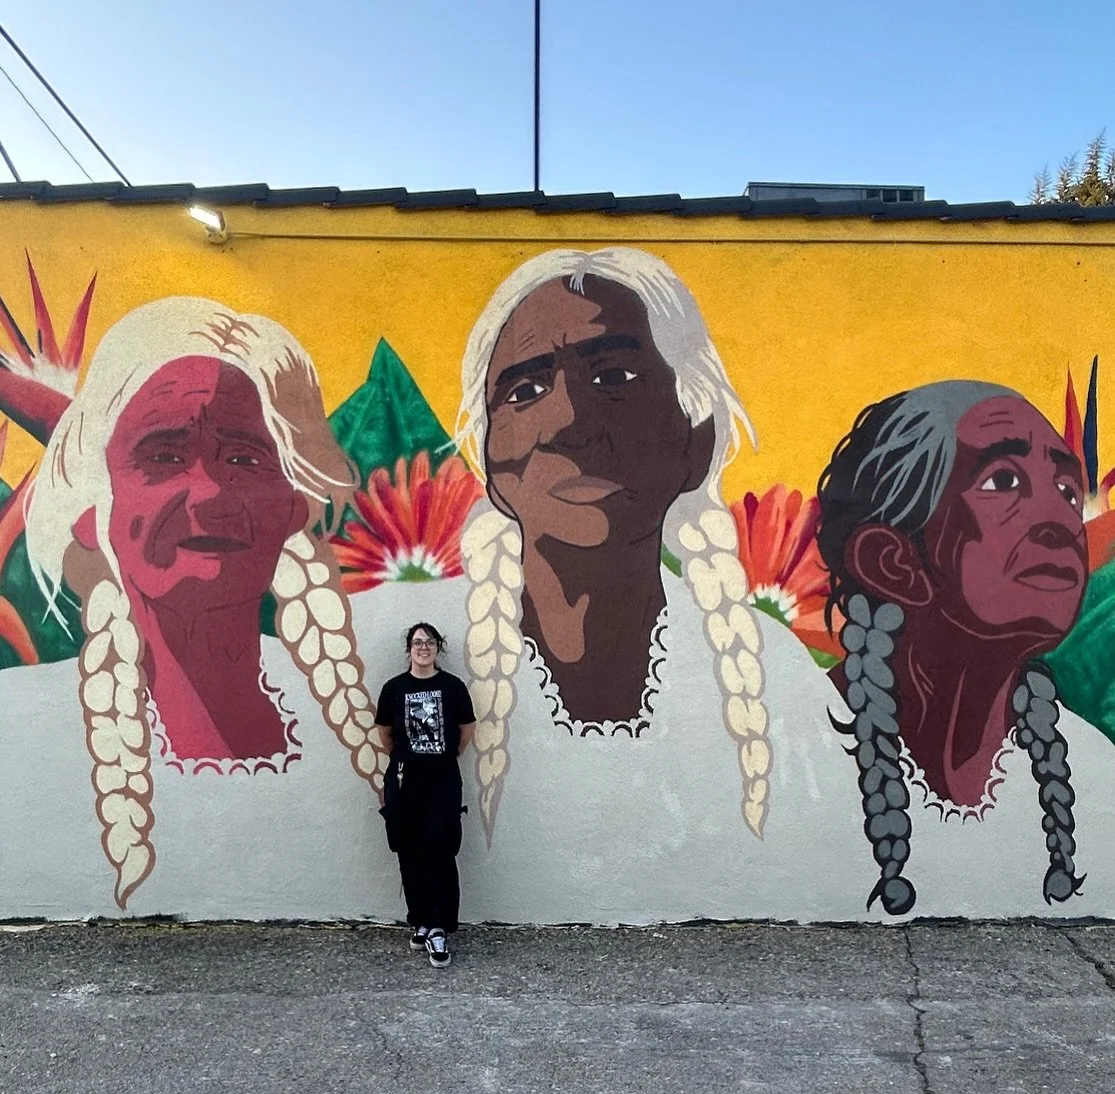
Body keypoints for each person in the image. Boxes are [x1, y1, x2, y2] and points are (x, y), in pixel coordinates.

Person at [3, 295, 391, 911]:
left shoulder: (338, 715)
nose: (207, 492)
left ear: (293, 508)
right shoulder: (21, 728)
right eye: (163, 456)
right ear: (91, 512)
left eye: (244, 457)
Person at [453, 247, 772, 843]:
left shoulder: (776, 679)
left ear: (696, 439)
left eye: (615, 378)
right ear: (488, 459)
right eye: (524, 390)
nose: (569, 419)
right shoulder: (425, 645)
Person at [817, 380, 1115, 916]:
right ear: (892, 562)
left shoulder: (1093, 774)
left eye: (1069, 492)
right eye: (1003, 480)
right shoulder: (788, 755)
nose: (1061, 521)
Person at [375, 623, 475, 967]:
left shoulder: (452, 687)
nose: (423, 647)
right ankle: (420, 919)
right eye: (417, 642)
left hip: (443, 780)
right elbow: (386, 734)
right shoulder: (394, 689)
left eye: (429, 642)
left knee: (440, 848)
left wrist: (442, 756)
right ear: (408, 649)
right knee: (409, 850)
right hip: (404, 780)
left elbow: (466, 730)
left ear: (437, 648)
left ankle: (438, 928)